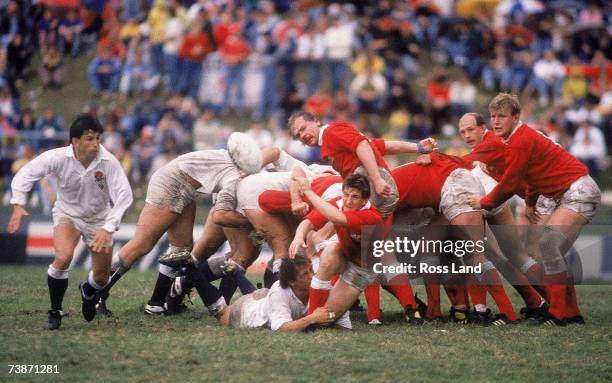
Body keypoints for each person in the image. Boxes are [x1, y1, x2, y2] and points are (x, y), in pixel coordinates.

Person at [98, 133, 278, 316]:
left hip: (186, 186)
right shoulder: (238, 178)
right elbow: (220, 216)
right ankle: (97, 290)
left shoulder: (240, 165)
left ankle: (156, 304)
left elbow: (273, 152)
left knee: (181, 249)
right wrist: (256, 223)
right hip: (172, 182)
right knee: (142, 244)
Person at [467, 93, 601, 326]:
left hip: (577, 190)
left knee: (549, 245)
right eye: (493, 116)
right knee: (546, 250)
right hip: (561, 194)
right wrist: (529, 203)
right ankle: (572, 314)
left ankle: (557, 315)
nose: (496, 121)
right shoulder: (515, 139)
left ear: (516, 117)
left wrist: (483, 202)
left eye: (502, 116)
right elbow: (532, 176)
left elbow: (510, 183)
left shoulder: (520, 139)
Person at [7, 114, 133, 330]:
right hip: (68, 214)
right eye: (89, 139)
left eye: (98, 139)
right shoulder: (57, 157)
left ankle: (88, 290)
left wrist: (108, 227)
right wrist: (18, 204)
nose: (95, 144)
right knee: (63, 257)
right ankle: (55, 312)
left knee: (102, 278)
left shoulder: (108, 161)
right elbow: (26, 173)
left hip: (99, 219)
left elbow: (125, 196)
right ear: (75, 141)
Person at [289, 174, 422, 325]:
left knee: (324, 322)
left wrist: (308, 191)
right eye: (346, 194)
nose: (348, 201)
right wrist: (298, 237)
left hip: (361, 270)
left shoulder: (371, 216)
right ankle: (311, 316)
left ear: (365, 201)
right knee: (329, 255)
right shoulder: (338, 202)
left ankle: (398, 312)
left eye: (355, 197)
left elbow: (338, 218)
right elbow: (309, 221)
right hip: (345, 253)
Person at [288, 111, 437, 218]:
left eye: (303, 128)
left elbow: (362, 145)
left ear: (316, 121)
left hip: (372, 186)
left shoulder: (330, 133)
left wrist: (377, 179)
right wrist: (418, 148)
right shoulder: (330, 140)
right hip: (372, 187)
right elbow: (382, 146)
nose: (302, 135)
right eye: (298, 136)